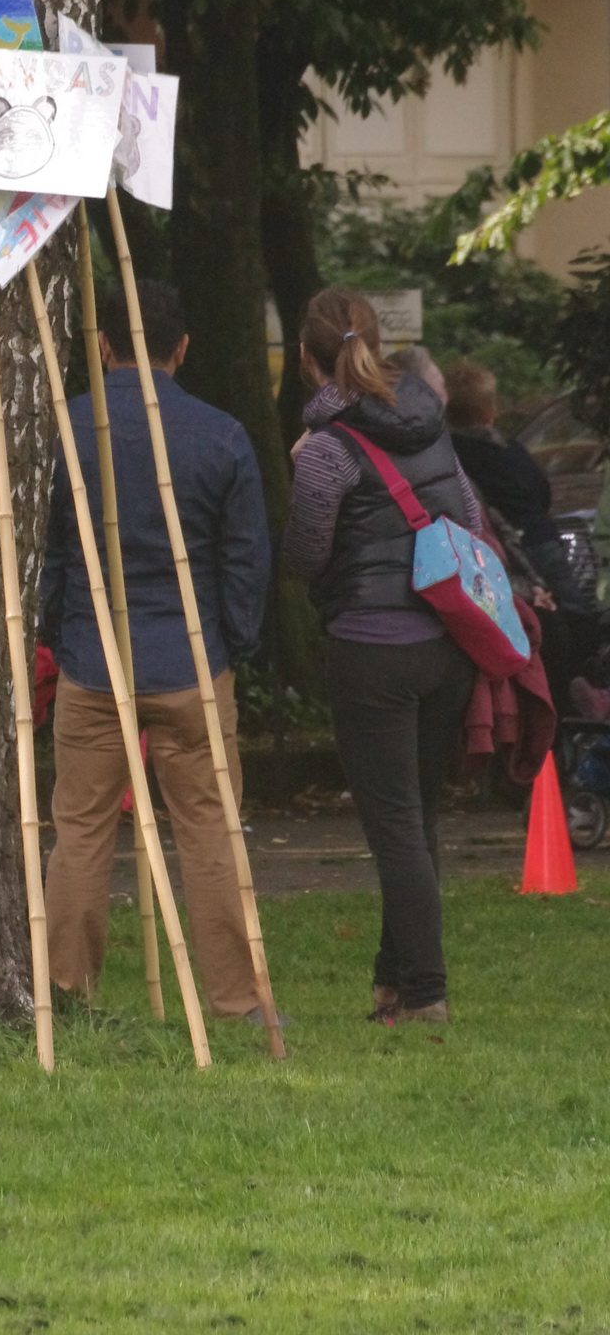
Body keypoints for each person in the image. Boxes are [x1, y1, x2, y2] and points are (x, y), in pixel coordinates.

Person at [38, 280, 271, 1017]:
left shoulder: (69, 428)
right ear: (183, 348)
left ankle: (66, 993)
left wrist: (58, 634)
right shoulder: (221, 435)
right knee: (209, 832)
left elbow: (52, 554)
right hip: (191, 661)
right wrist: (231, 646)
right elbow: (245, 561)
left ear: (103, 344)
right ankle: (236, 999)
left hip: (92, 659)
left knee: (80, 832)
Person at [283, 288, 483, 1026]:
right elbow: (470, 518)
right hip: (445, 644)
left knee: (395, 829)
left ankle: (426, 992)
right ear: (375, 340)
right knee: (417, 818)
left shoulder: (324, 451)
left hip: (371, 650)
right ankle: (392, 985)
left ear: (305, 358)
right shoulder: (430, 424)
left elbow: (306, 554)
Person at [444, 358, 586, 616]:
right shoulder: (509, 450)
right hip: (540, 536)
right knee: (573, 608)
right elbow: (541, 489)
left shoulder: (452, 455)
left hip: (502, 551)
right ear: (490, 411)